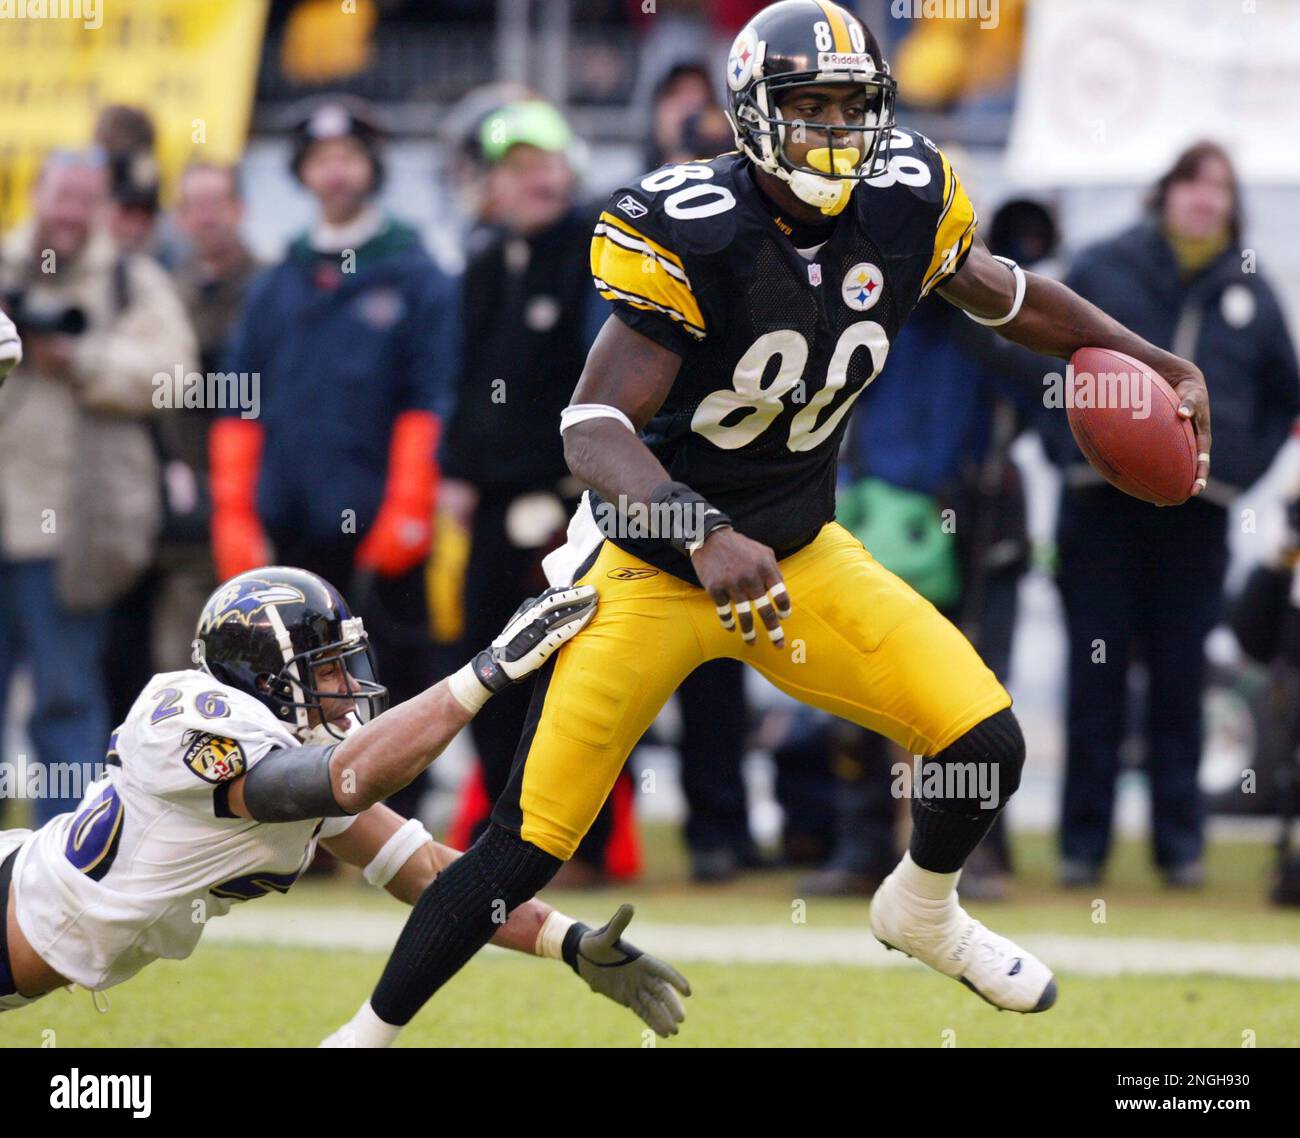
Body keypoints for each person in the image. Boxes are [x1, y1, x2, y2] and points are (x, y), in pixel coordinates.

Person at [327, 0, 1214, 1044]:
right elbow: (593, 426)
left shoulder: (903, 202)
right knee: (520, 849)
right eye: (810, 108)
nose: (835, 132)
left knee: (986, 742)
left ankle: (920, 906)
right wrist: (699, 527)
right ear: (753, 117)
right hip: (647, 571)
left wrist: (1145, 359)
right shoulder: (694, 227)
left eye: (853, 108)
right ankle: (365, 1038)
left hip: (797, 559)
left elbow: (1002, 293)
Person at [0, 566, 689, 1041]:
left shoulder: (301, 753)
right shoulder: (194, 721)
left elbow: (428, 875)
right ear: (264, 675)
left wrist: (564, 940)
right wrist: (487, 673)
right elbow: (345, 780)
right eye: (326, 667)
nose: (344, 685)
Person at [1051, 141, 1300, 888]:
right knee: (1094, 677)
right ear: (1165, 193)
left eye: (1219, 187)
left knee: (1179, 680)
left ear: (1232, 203)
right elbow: (1040, 362)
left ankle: (1178, 846)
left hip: (1196, 516)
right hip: (1100, 508)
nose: (1205, 199)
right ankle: (1083, 845)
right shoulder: (1102, 266)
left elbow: (1286, 394)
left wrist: (1230, 472)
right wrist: (1074, 455)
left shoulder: (1251, 288)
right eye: (1193, 184)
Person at [215, 96, 457, 819]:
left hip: (380, 521)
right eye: (321, 160)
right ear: (302, 173)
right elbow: (239, 402)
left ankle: (398, 817)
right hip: (291, 517)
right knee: (286, 677)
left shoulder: (416, 276)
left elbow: (432, 398)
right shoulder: (276, 283)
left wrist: (411, 505)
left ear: (371, 167)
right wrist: (235, 512)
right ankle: (300, 817)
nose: (336, 173)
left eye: (348, 157)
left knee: (392, 670)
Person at [0, 149, 198, 826]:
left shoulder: (129, 282)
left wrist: (78, 359)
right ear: (37, 194)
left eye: (86, 200)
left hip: (72, 535)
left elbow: (177, 375)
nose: (71, 213)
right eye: (62, 196)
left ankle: (61, 850)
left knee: (66, 700)